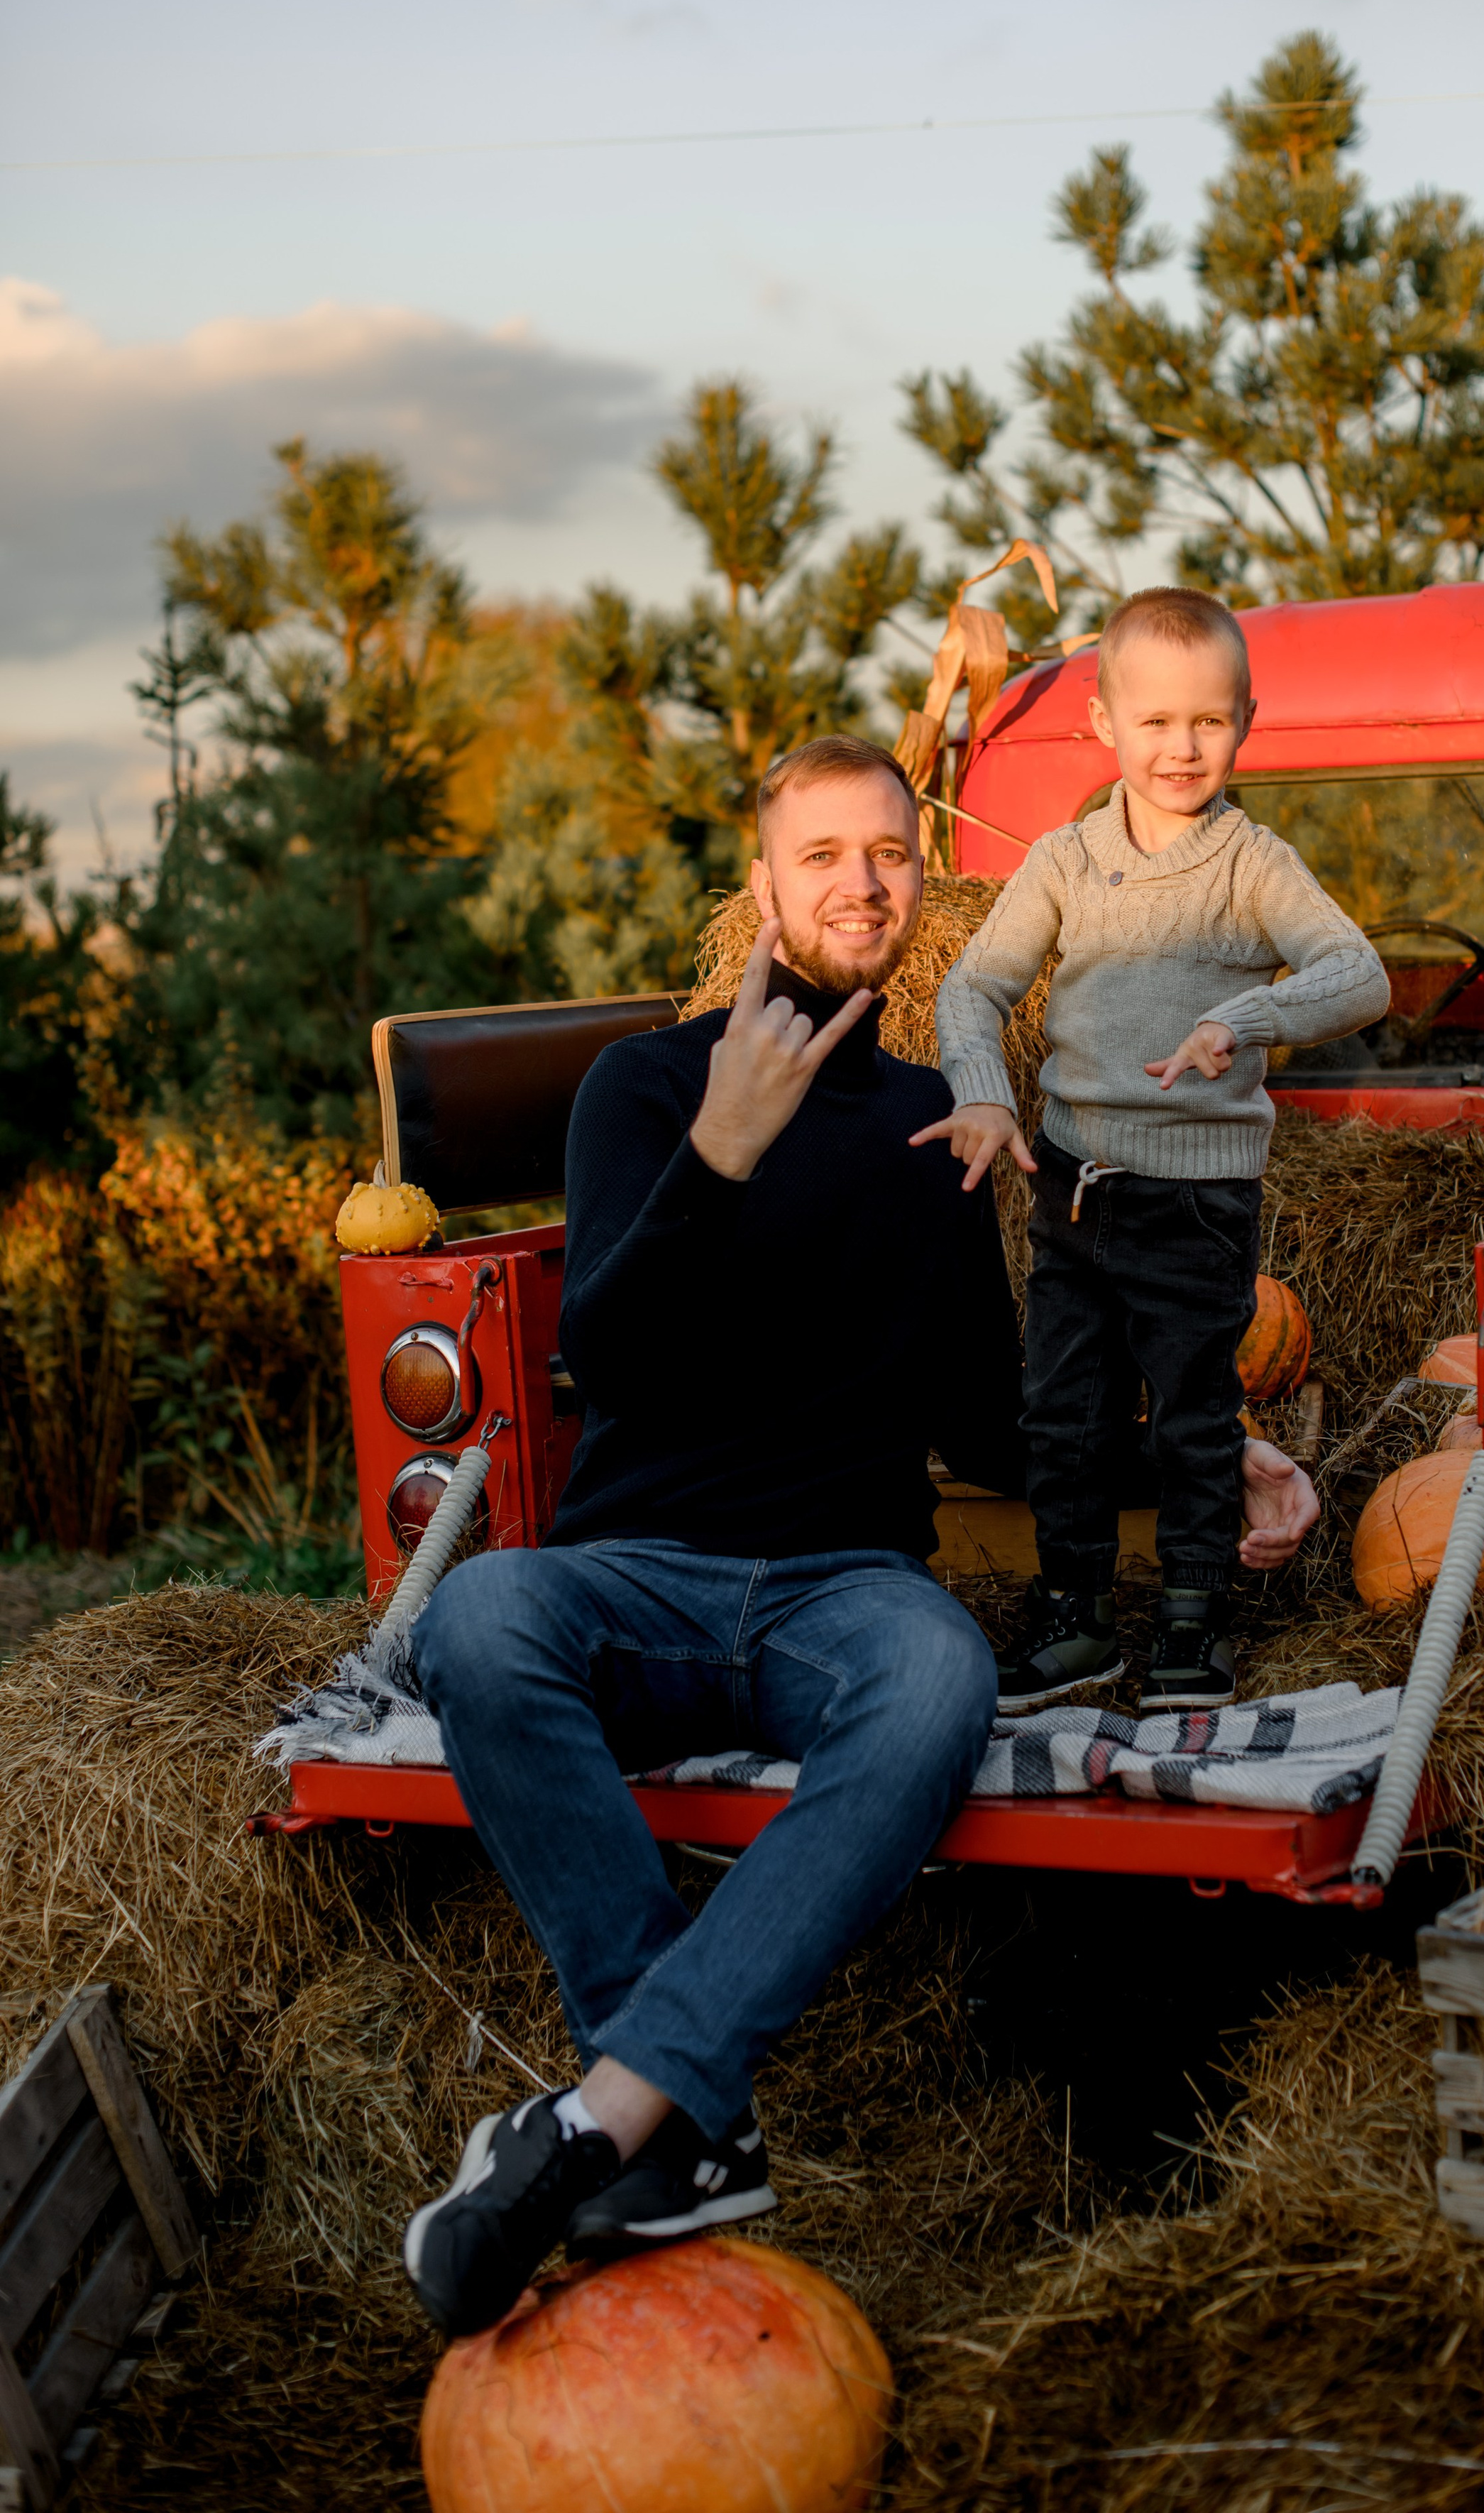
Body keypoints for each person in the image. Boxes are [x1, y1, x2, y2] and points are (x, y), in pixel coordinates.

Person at [402, 732, 1319, 2340]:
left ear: (923, 885)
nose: (858, 882)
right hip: (638, 1575)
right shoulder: (643, 1085)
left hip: (841, 1591)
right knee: (477, 1622)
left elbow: (981, 1424)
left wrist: (1202, 1453)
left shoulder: (933, 1129)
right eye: (820, 853)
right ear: (760, 885)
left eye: (888, 852)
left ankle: (617, 2118)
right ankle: (674, 2110)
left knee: (937, 1679)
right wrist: (720, 1152)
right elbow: (601, 1358)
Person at [921, 588, 1387, 1717]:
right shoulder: (1065, 863)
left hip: (1197, 1202)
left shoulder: (1253, 864)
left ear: (1246, 720)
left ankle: (1192, 1621)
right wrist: (985, 1098)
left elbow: (1359, 974)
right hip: (1076, 1188)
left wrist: (1252, 1018)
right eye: (1157, 722)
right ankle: (1077, 1618)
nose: (1182, 748)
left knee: (1190, 1416)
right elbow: (972, 987)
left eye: (1209, 722)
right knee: (1064, 1416)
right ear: (1103, 721)